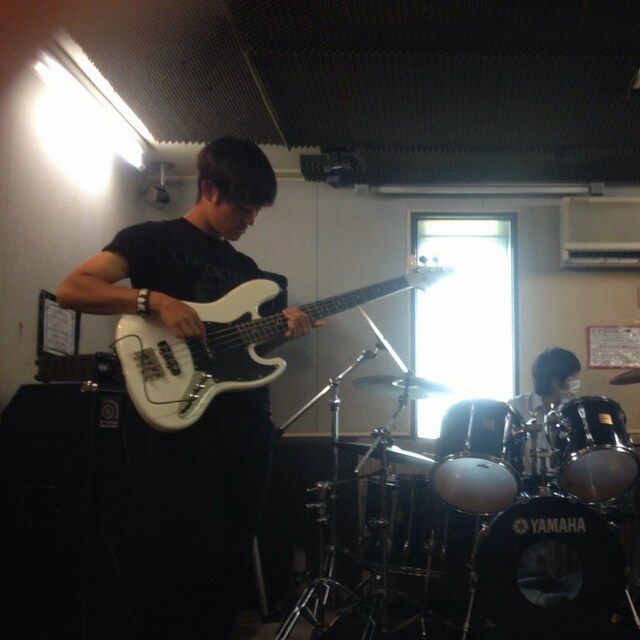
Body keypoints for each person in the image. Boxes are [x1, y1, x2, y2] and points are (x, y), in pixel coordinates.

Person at [56, 137, 323, 639]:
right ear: (209, 190)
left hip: (246, 424)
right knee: (179, 557)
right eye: (242, 208)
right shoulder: (150, 240)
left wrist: (285, 333)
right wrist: (152, 300)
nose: (250, 221)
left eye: (256, 211)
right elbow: (73, 288)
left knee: (231, 558)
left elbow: (246, 353)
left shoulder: (247, 271)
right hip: (178, 420)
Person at [508, 347, 581, 487]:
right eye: (572, 376)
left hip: (566, 481)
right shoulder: (517, 405)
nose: (576, 380)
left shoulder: (574, 404)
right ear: (554, 381)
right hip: (526, 481)